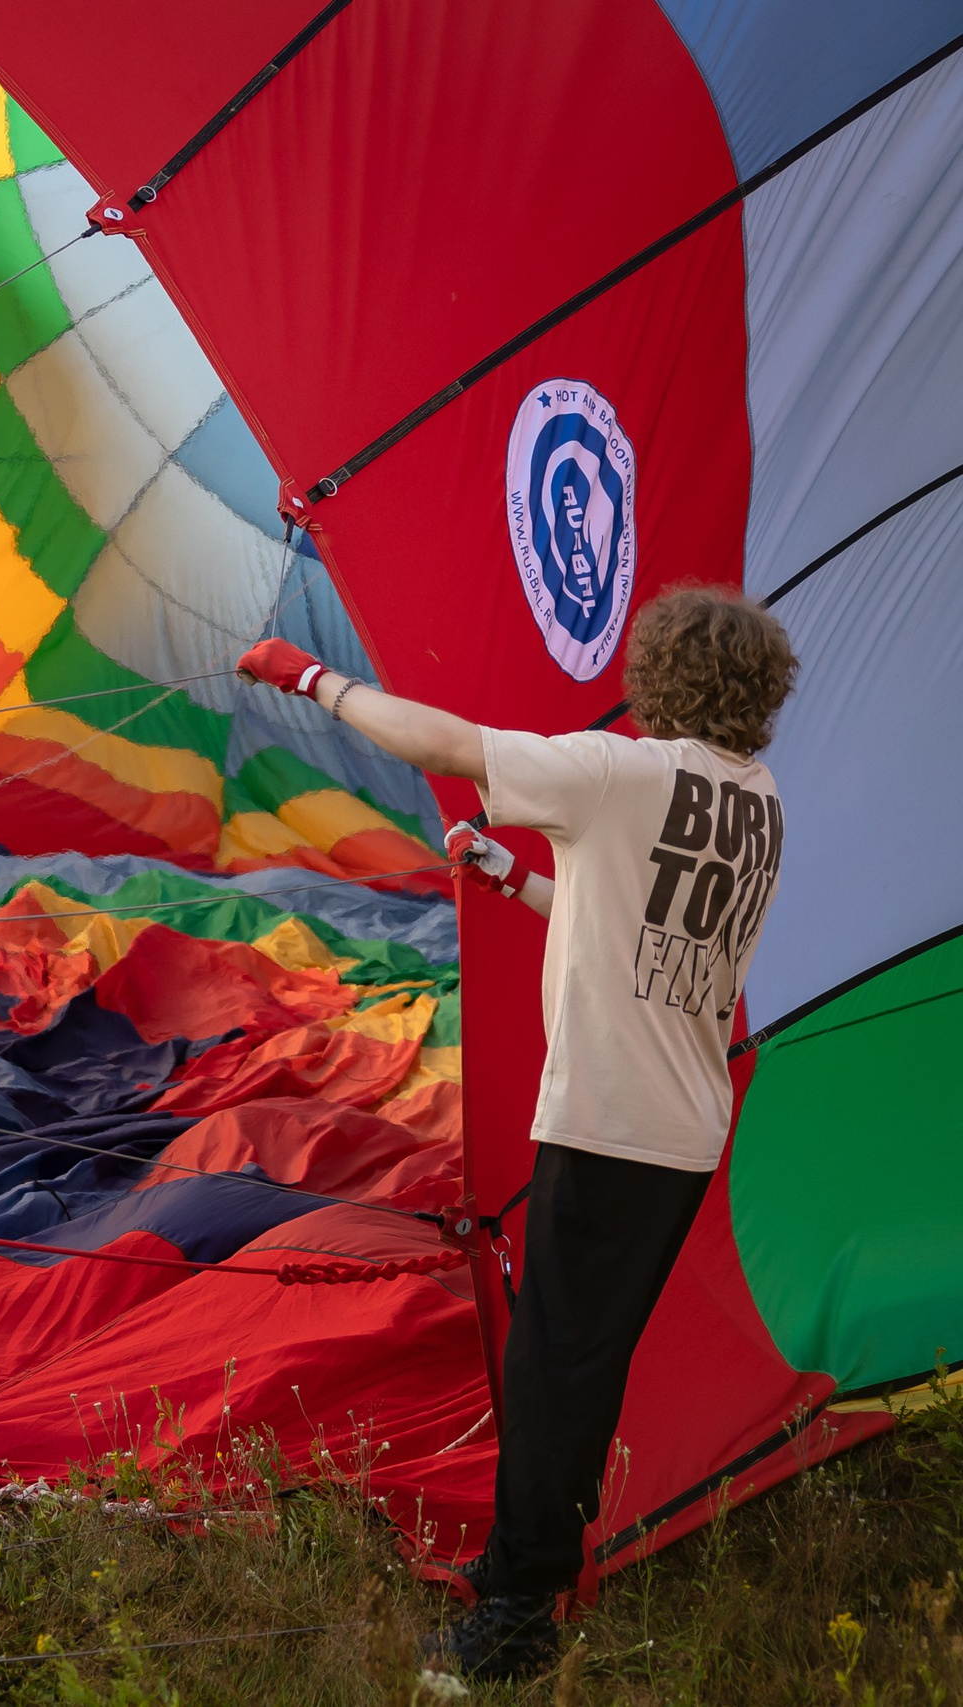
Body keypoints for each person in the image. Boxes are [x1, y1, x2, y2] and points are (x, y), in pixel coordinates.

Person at [235, 585, 799, 1680]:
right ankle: (537, 1573)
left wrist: (313, 680)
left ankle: (514, 1617)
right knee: (578, 1358)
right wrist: (515, 879)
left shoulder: (619, 774)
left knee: (553, 1374)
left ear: (658, 676)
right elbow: (646, 933)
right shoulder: (758, 803)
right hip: (681, 1127)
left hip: (610, 1124)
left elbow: (446, 742)